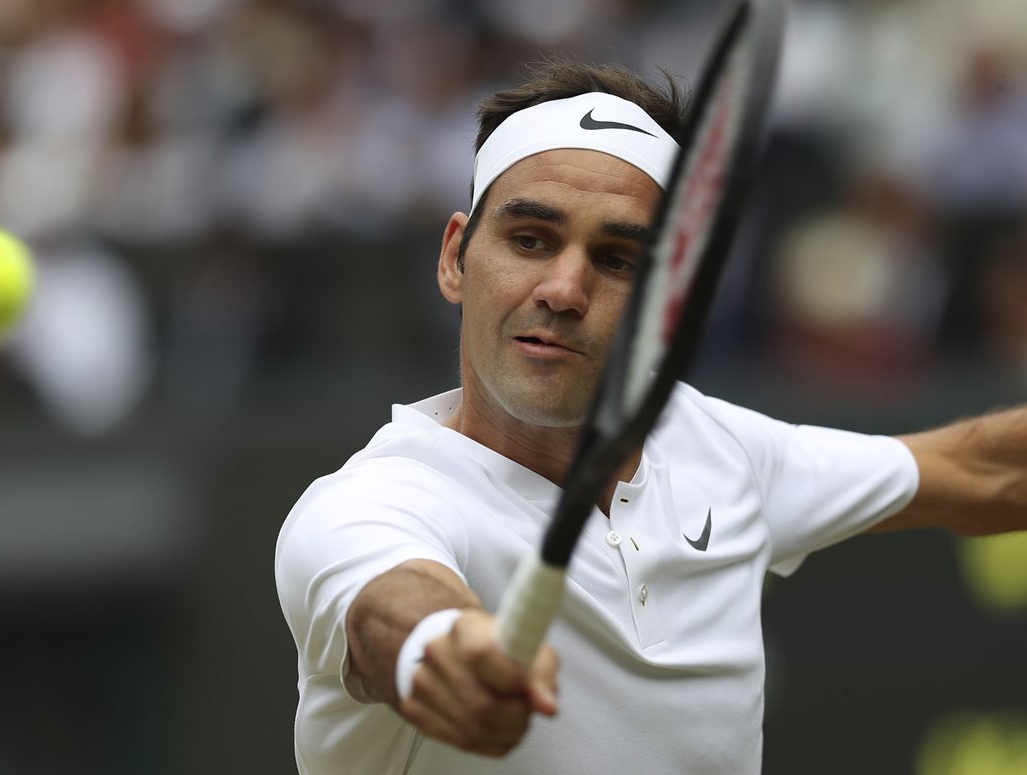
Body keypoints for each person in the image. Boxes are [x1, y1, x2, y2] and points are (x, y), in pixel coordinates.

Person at [273, 60, 1027, 774]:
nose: (564, 289)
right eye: (529, 239)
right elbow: (387, 611)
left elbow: (984, 472)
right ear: (455, 257)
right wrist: (444, 651)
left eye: (619, 259)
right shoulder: (368, 504)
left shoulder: (721, 451)